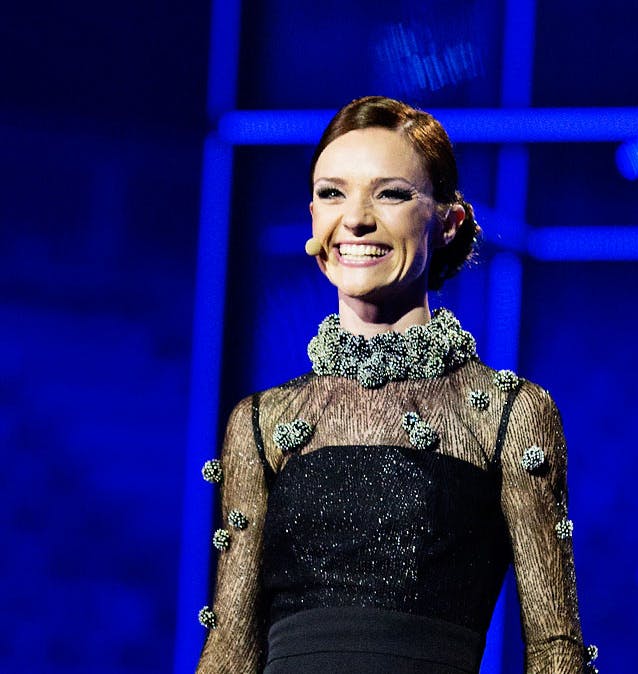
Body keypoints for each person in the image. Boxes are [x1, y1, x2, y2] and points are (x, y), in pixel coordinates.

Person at [195, 96, 597, 674]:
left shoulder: (508, 416)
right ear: (313, 218)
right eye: (332, 193)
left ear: (448, 220)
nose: (354, 218)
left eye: (390, 193)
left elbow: (555, 649)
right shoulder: (261, 422)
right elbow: (230, 647)